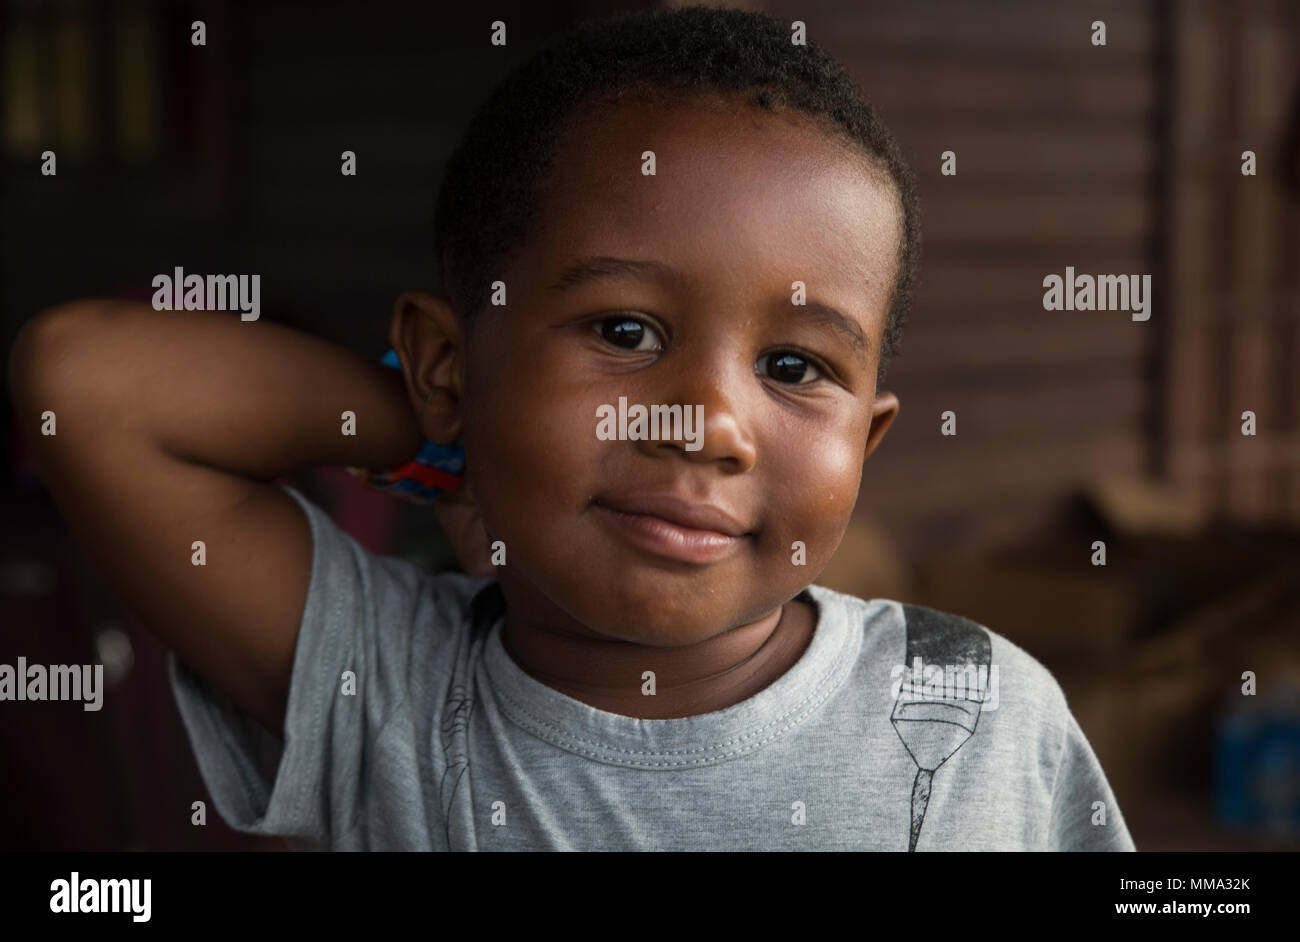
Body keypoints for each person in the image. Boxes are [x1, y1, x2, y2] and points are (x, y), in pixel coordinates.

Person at [8, 6, 1135, 851]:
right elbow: (90, 380)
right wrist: (452, 432)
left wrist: (499, 420)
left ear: (867, 441)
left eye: (794, 367)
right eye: (627, 331)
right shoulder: (386, 689)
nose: (706, 427)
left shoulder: (970, 705)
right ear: (448, 360)